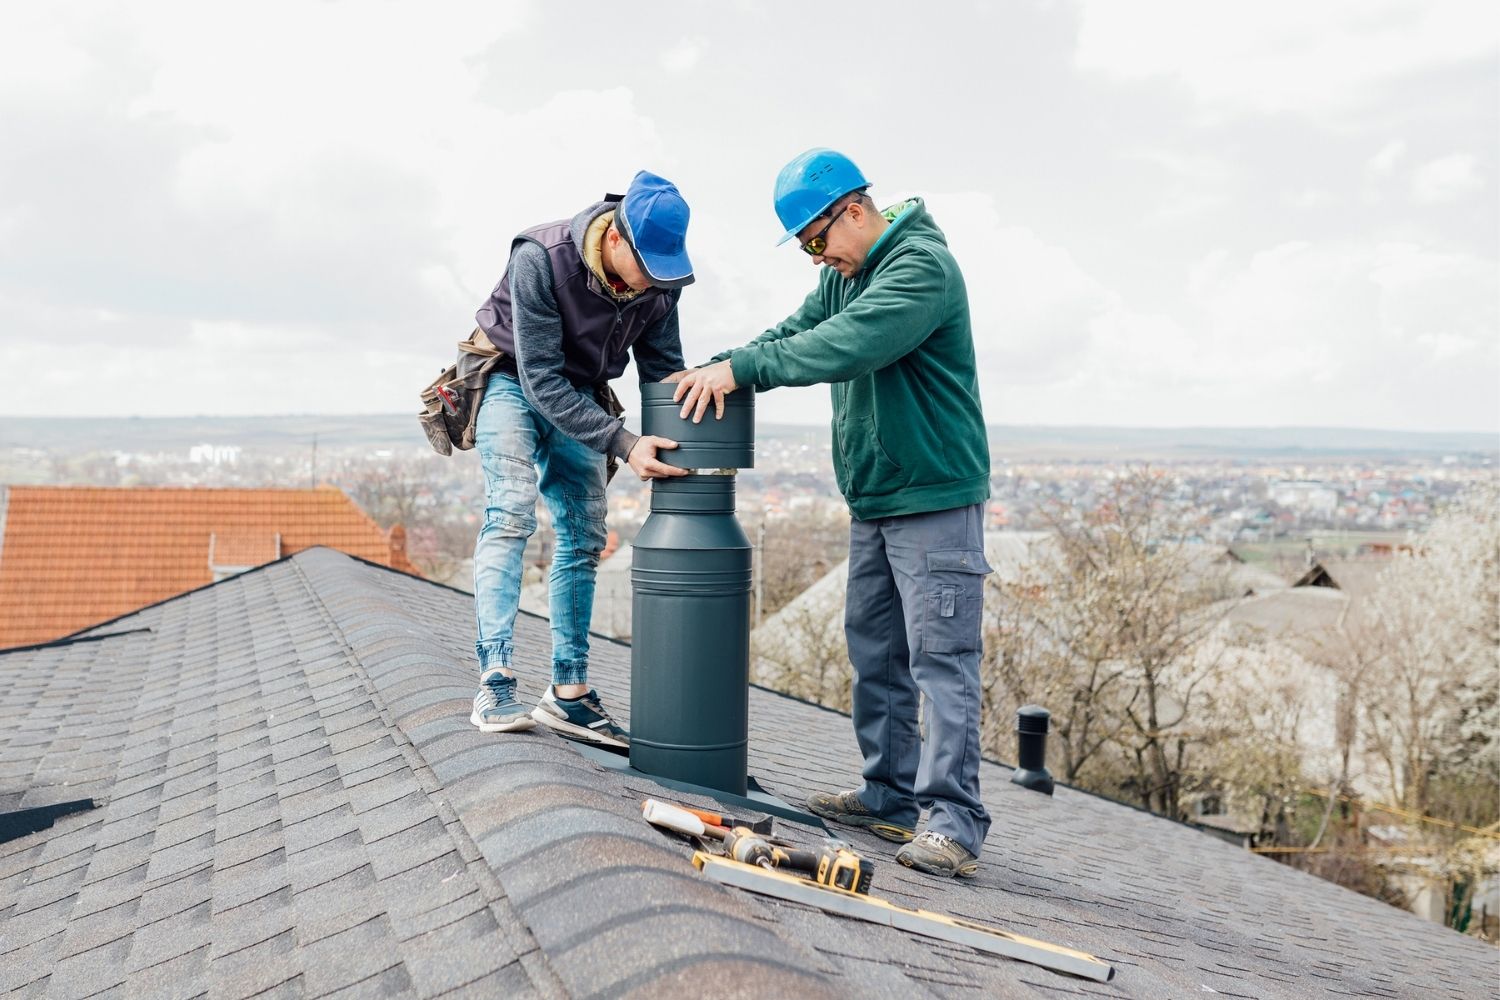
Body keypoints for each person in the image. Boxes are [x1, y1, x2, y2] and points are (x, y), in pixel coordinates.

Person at [671, 149, 993, 878]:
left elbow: (844, 347)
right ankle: (888, 795)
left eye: (817, 240)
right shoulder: (844, 277)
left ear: (853, 210)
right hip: (877, 498)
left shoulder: (920, 269)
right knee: (876, 652)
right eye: (805, 249)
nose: (815, 259)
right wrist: (717, 365)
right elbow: (791, 333)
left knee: (942, 661)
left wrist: (743, 371)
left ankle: (955, 822)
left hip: (936, 499)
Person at [469, 171, 691, 748]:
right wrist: (623, 442)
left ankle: (568, 693)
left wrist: (690, 428)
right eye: (648, 269)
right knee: (511, 514)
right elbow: (540, 378)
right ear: (615, 240)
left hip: (583, 391)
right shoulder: (541, 257)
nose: (653, 285)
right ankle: (495, 678)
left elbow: (663, 371)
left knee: (584, 537)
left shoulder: (661, 285)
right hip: (513, 379)